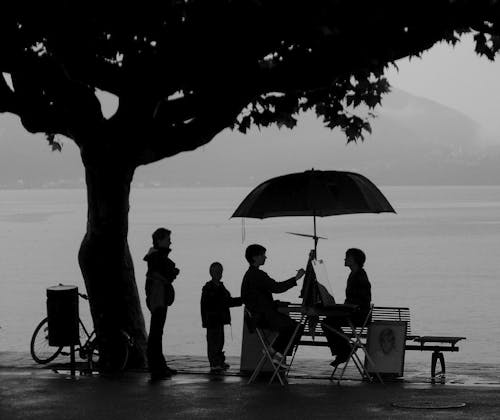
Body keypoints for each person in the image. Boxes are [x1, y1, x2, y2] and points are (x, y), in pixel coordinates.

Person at [241, 244, 305, 365]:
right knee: (296, 327)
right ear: (255, 257)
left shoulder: (250, 274)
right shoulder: (257, 275)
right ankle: (277, 354)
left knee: (293, 326)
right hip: (263, 317)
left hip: (258, 316)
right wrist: (296, 278)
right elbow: (276, 287)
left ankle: (274, 352)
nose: (265, 257)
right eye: (262, 255)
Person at [321, 248, 372, 367]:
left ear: (354, 260)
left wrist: (346, 307)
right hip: (353, 312)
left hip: (359, 315)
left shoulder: (360, 276)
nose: (345, 259)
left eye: (347, 257)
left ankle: (344, 351)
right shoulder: (354, 274)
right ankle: (345, 350)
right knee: (328, 322)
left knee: (327, 323)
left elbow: (362, 300)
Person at [144, 227, 180, 381]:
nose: (170, 241)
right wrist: (172, 273)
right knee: (156, 333)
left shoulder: (156, 257)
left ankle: (159, 365)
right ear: (159, 240)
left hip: (158, 298)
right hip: (158, 299)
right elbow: (167, 271)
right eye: (167, 239)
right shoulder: (157, 258)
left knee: (157, 332)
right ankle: (156, 367)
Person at [201, 262, 242, 374]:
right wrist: (241, 300)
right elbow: (224, 302)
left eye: (220, 272)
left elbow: (227, 301)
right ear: (211, 273)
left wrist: (240, 300)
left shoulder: (220, 287)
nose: (219, 274)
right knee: (214, 342)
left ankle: (218, 362)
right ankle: (214, 364)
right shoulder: (208, 288)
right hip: (212, 320)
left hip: (219, 320)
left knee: (219, 342)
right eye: (216, 272)